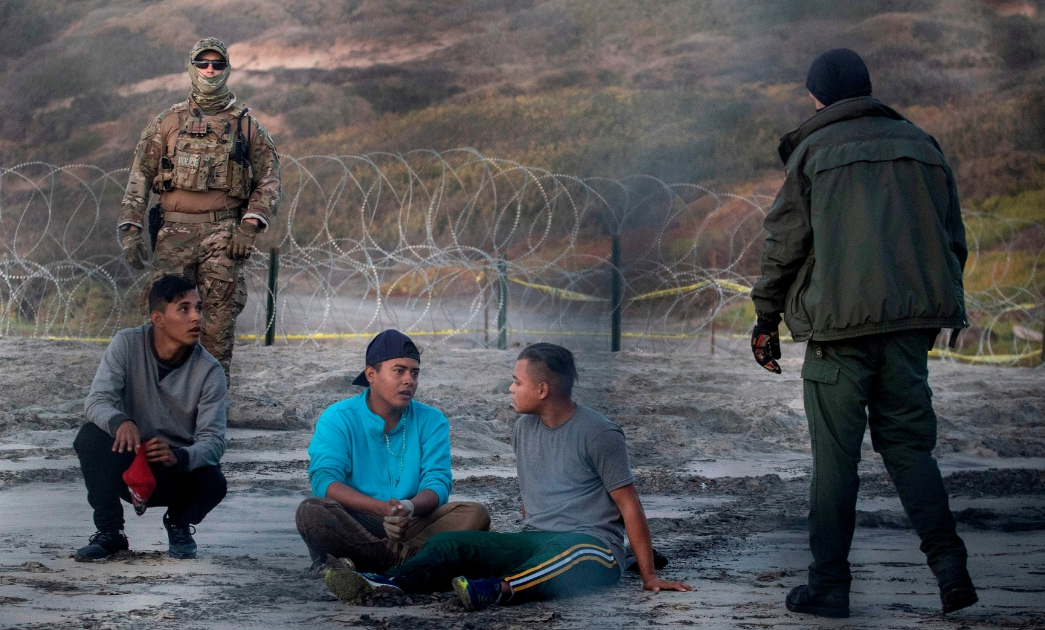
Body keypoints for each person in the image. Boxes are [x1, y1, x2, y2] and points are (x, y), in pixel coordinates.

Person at [749, 48, 976, 618]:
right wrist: (929, 311)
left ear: (817, 98)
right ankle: (951, 569)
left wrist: (766, 317)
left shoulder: (813, 151)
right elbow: (954, 240)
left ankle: (829, 585)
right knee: (910, 452)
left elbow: (783, 245)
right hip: (907, 328)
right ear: (868, 89)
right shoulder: (922, 145)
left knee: (836, 463)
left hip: (837, 331)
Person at [322, 343, 692, 610]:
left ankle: (497, 590)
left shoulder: (600, 433)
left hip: (591, 546)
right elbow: (533, 491)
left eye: (517, 382)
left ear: (543, 389)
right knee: (453, 544)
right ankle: (385, 582)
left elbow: (630, 505)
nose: (510, 389)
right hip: (534, 540)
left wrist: (648, 576)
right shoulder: (523, 428)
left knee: (568, 554)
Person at [117, 37, 281, 382]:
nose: (210, 70)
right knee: (164, 320)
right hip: (173, 234)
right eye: (203, 64)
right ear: (192, 67)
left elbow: (269, 178)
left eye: (217, 64)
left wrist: (250, 225)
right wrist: (131, 230)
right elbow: (140, 177)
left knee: (217, 323)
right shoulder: (168, 123)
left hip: (223, 234)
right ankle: (161, 393)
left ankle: (210, 401)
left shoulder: (245, 125)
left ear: (227, 68)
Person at [295, 329, 491, 572]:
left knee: (475, 513)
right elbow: (324, 481)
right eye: (399, 371)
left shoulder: (432, 421)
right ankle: (409, 563)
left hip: (410, 524)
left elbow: (438, 482)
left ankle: (369, 562)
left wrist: (408, 508)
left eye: (414, 373)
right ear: (371, 375)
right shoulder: (338, 418)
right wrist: (382, 509)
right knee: (312, 512)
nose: (409, 380)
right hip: (356, 520)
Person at [74, 274, 228, 561]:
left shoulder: (210, 370)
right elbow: (96, 401)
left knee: (214, 481)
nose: (196, 317)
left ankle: (178, 523)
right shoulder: (127, 344)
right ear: (158, 319)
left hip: (173, 471)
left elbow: (214, 441)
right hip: (128, 460)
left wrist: (179, 457)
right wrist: (120, 421)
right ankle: (111, 533)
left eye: (199, 308)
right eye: (184, 309)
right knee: (90, 437)